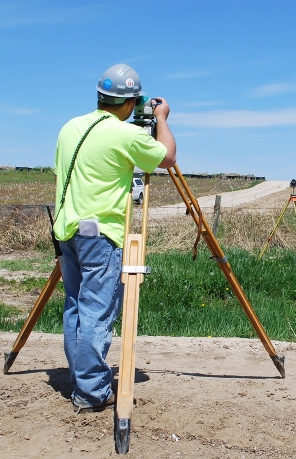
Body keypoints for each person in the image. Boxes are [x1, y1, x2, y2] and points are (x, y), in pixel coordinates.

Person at [53, 63, 176, 412]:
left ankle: (81, 377)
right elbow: (167, 156)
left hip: (67, 231)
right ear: (129, 103)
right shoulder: (125, 134)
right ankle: (92, 392)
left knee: (76, 307)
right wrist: (162, 119)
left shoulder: (69, 128)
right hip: (100, 235)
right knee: (97, 311)